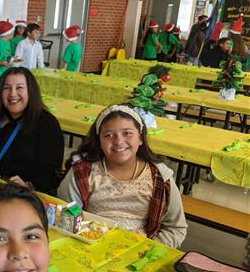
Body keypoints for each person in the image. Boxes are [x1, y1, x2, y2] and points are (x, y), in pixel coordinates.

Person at [58, 104, 187, 248]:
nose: (119, 141)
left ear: (140, 138)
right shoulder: (83, 172)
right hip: (90, 246)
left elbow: (175, 228)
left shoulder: (159, 178)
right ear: (99, 141)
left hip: (140, 251)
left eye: (127, 133)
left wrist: (148, 248)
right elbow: (65, 217)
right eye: (108, 135)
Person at [0, 67, 64, 196]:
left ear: (31, 91)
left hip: (27, 196)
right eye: (7, 88)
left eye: (19, 87)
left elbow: (53, 175)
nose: (12, 94)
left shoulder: (47, 124)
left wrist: (28, 186)